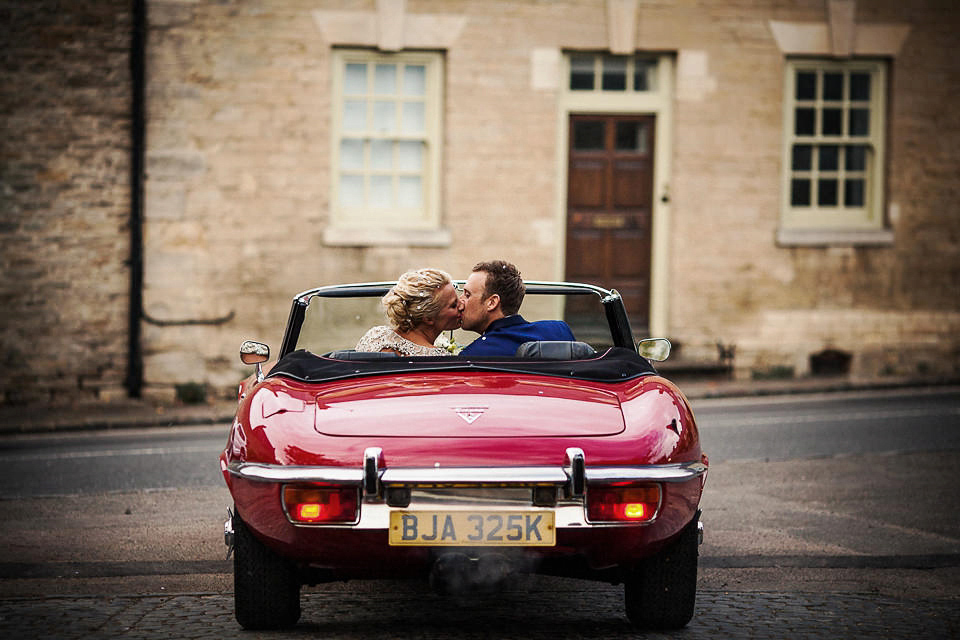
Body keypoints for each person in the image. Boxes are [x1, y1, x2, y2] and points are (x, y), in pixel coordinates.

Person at [458, 260, 575, 356]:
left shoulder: (475, 354)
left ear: (492, 302)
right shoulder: (559, 331)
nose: (460, 302)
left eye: (467, 295)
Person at [356, 268, 463, 356]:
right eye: (453, 305)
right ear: (428, 318)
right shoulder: (438, 358)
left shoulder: (376, 335)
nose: (461, 305)